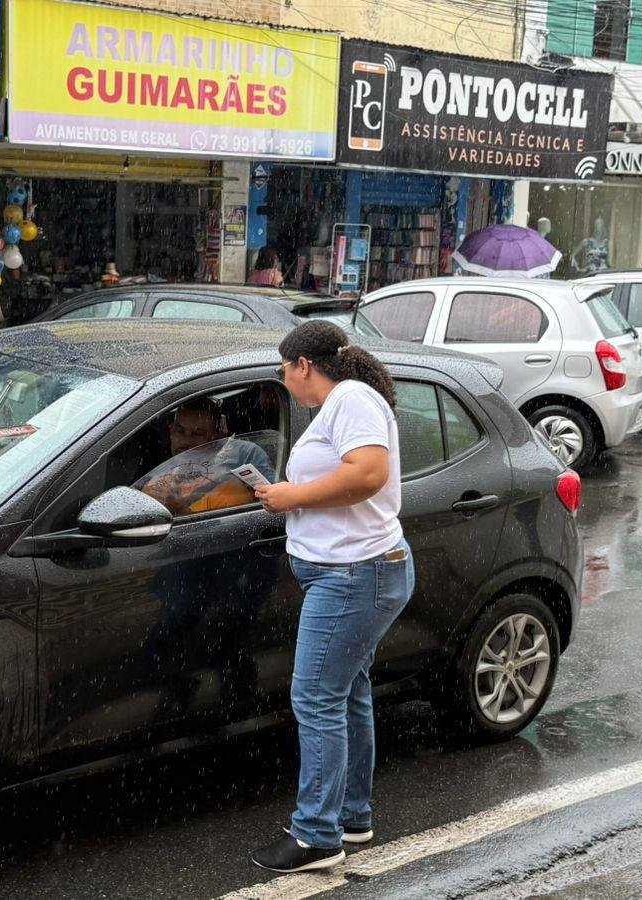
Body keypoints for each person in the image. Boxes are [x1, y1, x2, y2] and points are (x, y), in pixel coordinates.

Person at [249, 320, 413, 874]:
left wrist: (292, 495)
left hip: (353, 574)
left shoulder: (351, 398)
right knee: (348, 691)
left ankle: (317, 835)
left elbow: (368, 473)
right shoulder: (344, 403)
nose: (282, 378)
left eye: (282, 368)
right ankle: (352, 815)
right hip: (354, 572)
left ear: (302, 366)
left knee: (316, 696)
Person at [133, 396, 275, 517]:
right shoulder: (155, 475)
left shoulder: (235, 474)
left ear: (217, 436)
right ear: (170, 431)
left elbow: (225, 537)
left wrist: (178, 510)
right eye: (180, 431)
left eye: (198, 433)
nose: (185, 441)